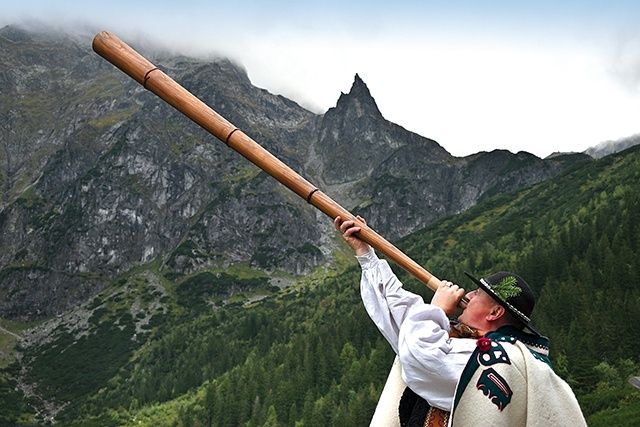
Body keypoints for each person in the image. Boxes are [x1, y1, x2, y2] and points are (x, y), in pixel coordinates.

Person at [334, 215, 587, 427]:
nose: (467, 295)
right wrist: (366, 254)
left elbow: (419, 353)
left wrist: (438, 309)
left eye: (477, 294)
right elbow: (404, 317)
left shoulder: (495, 359)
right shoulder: (463, 340)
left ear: (494, 313)